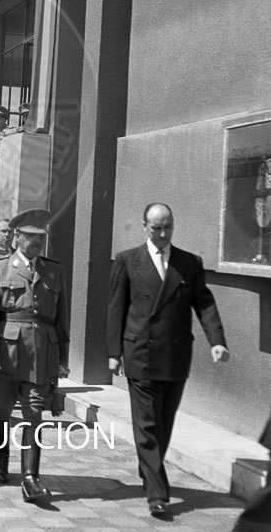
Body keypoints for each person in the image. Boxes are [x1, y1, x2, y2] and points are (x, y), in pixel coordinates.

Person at [106, 202, 229, 517]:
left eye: (168, 227)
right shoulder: (127, 260)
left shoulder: (189, 263)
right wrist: (112, 353)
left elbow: (204, 303)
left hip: (175, 356)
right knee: (147, 425)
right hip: (140, 354)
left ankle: (147, 469)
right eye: (156, 227)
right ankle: (158, 494)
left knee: (164, 424)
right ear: (144, 226)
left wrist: (217, 341)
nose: (162, 233)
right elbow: (116, 309)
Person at [0, 208, 70, 503]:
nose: (36, 243)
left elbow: (61, 319)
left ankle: (31, 478)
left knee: (34, 413)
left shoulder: (54, 270)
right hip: (7, 352)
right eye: (30, 237)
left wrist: (61, 360)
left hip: (41, 352)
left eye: (40, 238)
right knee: (2, 410)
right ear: (16, 236)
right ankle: (0, 459)